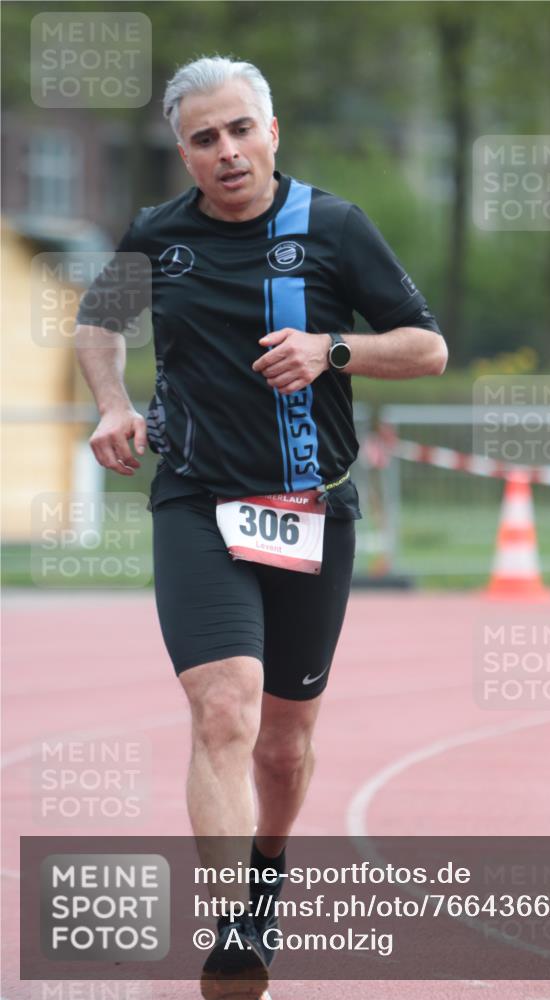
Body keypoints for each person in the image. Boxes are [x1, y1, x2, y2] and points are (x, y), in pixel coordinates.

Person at [75, 55, 447, 999]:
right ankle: (233, 926)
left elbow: (428, 347)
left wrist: (333, 349)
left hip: (312, 504)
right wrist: (115, 404)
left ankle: (267, 869)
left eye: (241, 129)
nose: (227, 151)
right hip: (196, 500)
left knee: (283, 740)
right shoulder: (157, 235)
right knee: (224, 708)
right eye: (204, 138)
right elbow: (97, 324)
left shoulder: (332, 227)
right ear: (183, 153)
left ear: (272, 131)